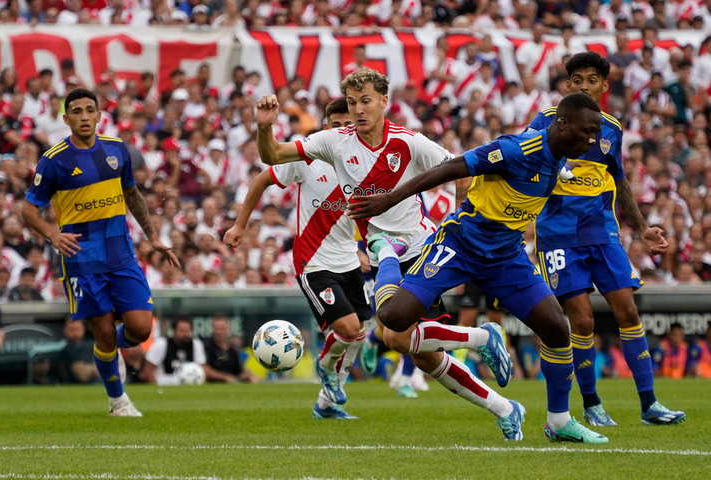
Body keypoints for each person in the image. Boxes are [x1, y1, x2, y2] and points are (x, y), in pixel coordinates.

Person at [255, 68, 524, 440]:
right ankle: (506, 408)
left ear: (384, 101)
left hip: (418, 250)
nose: (359, 110)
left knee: (395, 337)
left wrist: (463, 216)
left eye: (365, 101)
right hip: (383, 255)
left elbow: (462, 171)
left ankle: (483, 338)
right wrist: (265, 127)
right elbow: (273, 155)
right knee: (423, 355)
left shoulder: (410, 142)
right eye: (352, 103)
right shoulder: (335, 141)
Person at [347, 92, 609, 443]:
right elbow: (450, 167)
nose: (592, 141)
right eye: (587, 132)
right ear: (562, 125)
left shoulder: (560, 157)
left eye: (595, 134)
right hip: (460, 245)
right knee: (393, 320)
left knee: (557, 328)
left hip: (506, 257)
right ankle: (387, 251)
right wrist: (390, 199)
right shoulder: (516, 150)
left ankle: (559, 422)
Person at [527, 52, 685, 427]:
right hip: (558, 236)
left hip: (603, 233)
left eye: (591, 80)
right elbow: (523, 161)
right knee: (581, 321)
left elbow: (620, 180)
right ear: (567, 86)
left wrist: (643, 227)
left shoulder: (611, 129)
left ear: (603, 85)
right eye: (577, 80)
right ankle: (592, 404)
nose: (584, 86)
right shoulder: (547, 121)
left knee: (628, 312)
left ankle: (649, 405)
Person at [22, 88, 180, 417]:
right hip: (82, 259)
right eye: (76, 111)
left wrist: (152, 236)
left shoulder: (117, 150)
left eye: (88, 110)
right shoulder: (53, 161)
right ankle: (118, 401)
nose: (83, 117)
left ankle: (107, 353)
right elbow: (28, 211)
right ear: (66, 119)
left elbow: (132, 194)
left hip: (121, 253)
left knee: (140, 329)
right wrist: (53, 234)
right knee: (105, 330)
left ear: (98, 115)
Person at [225, 97, 371, 419]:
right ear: (324, 127)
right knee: (347, 328)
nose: (343, 131)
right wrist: (240, 224)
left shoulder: (365, 162)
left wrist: (366, 246)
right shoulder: (308, 156)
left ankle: (326, 404)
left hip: (348, 259)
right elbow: (263, 177)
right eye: (336, 125)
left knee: (359, 333)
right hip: (313, 261)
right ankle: (324, 366)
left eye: (348, 124)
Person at [143, 316, 207, 385]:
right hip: (164, 383)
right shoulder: (162, 344)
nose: (185, 334)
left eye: (187, 331)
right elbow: (148, 369)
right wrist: (155, 388)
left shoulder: (196, 344)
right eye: (182, 331)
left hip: (188, 382)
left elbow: (202, 370)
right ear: (174, 330)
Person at [203, 315, 258, 384]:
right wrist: (225, 377)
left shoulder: (232, 351)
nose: (219, 332)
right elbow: (204, 369)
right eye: (216, 328)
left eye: (222, 329)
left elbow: (239, 370)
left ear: (227, 329)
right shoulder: (206, 347)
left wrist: (250, 376)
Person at [57, 317, 99, 384]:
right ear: (65, 331)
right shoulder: (62, 349)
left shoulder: (93, 346)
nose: (75, 333)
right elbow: (82, 375)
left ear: (83, 330)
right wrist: (92, 368)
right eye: (71, 329)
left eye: (77, 329)